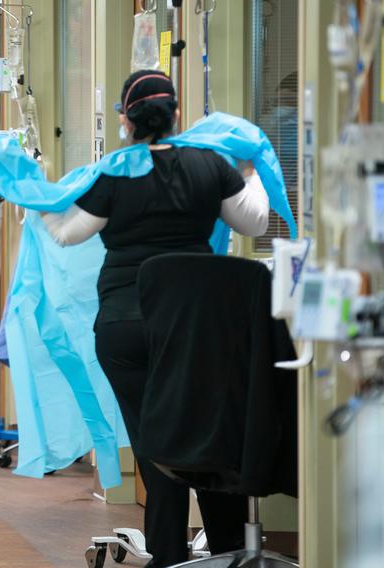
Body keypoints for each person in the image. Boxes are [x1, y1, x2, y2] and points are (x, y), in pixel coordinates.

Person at [41, 71, 270, 568]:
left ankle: (168, 556)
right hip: (194, 330)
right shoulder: (209, 165)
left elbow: (66, 234)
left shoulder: (114, 175)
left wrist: (40, 196)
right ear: (178, 115)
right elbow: (254, 222)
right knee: (208, 435)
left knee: (155, 447)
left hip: (126, 329)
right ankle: (230, 553)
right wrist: (252, 170)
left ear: (125, 120)